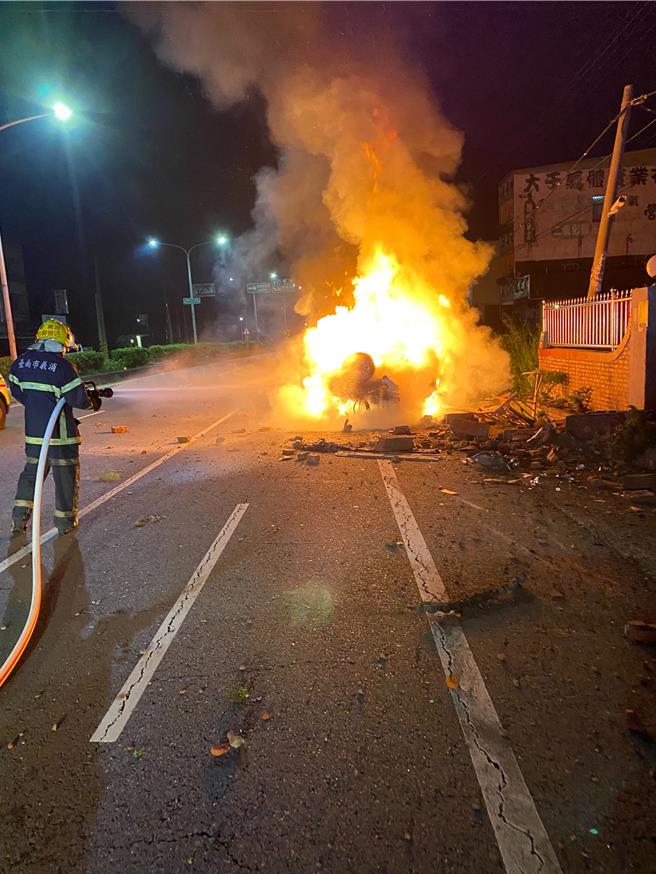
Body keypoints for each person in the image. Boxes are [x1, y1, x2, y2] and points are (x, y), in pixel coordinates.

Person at [8, 319, 101, 537]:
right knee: (65, 479)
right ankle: (65, 523)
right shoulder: (61, 366)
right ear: (62, 342)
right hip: (61, 437)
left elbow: (20, 394)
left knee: (31, 476)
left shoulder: (19, 364)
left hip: (34, 437)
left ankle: (19, 519)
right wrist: (93, 402)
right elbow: (78, 399)